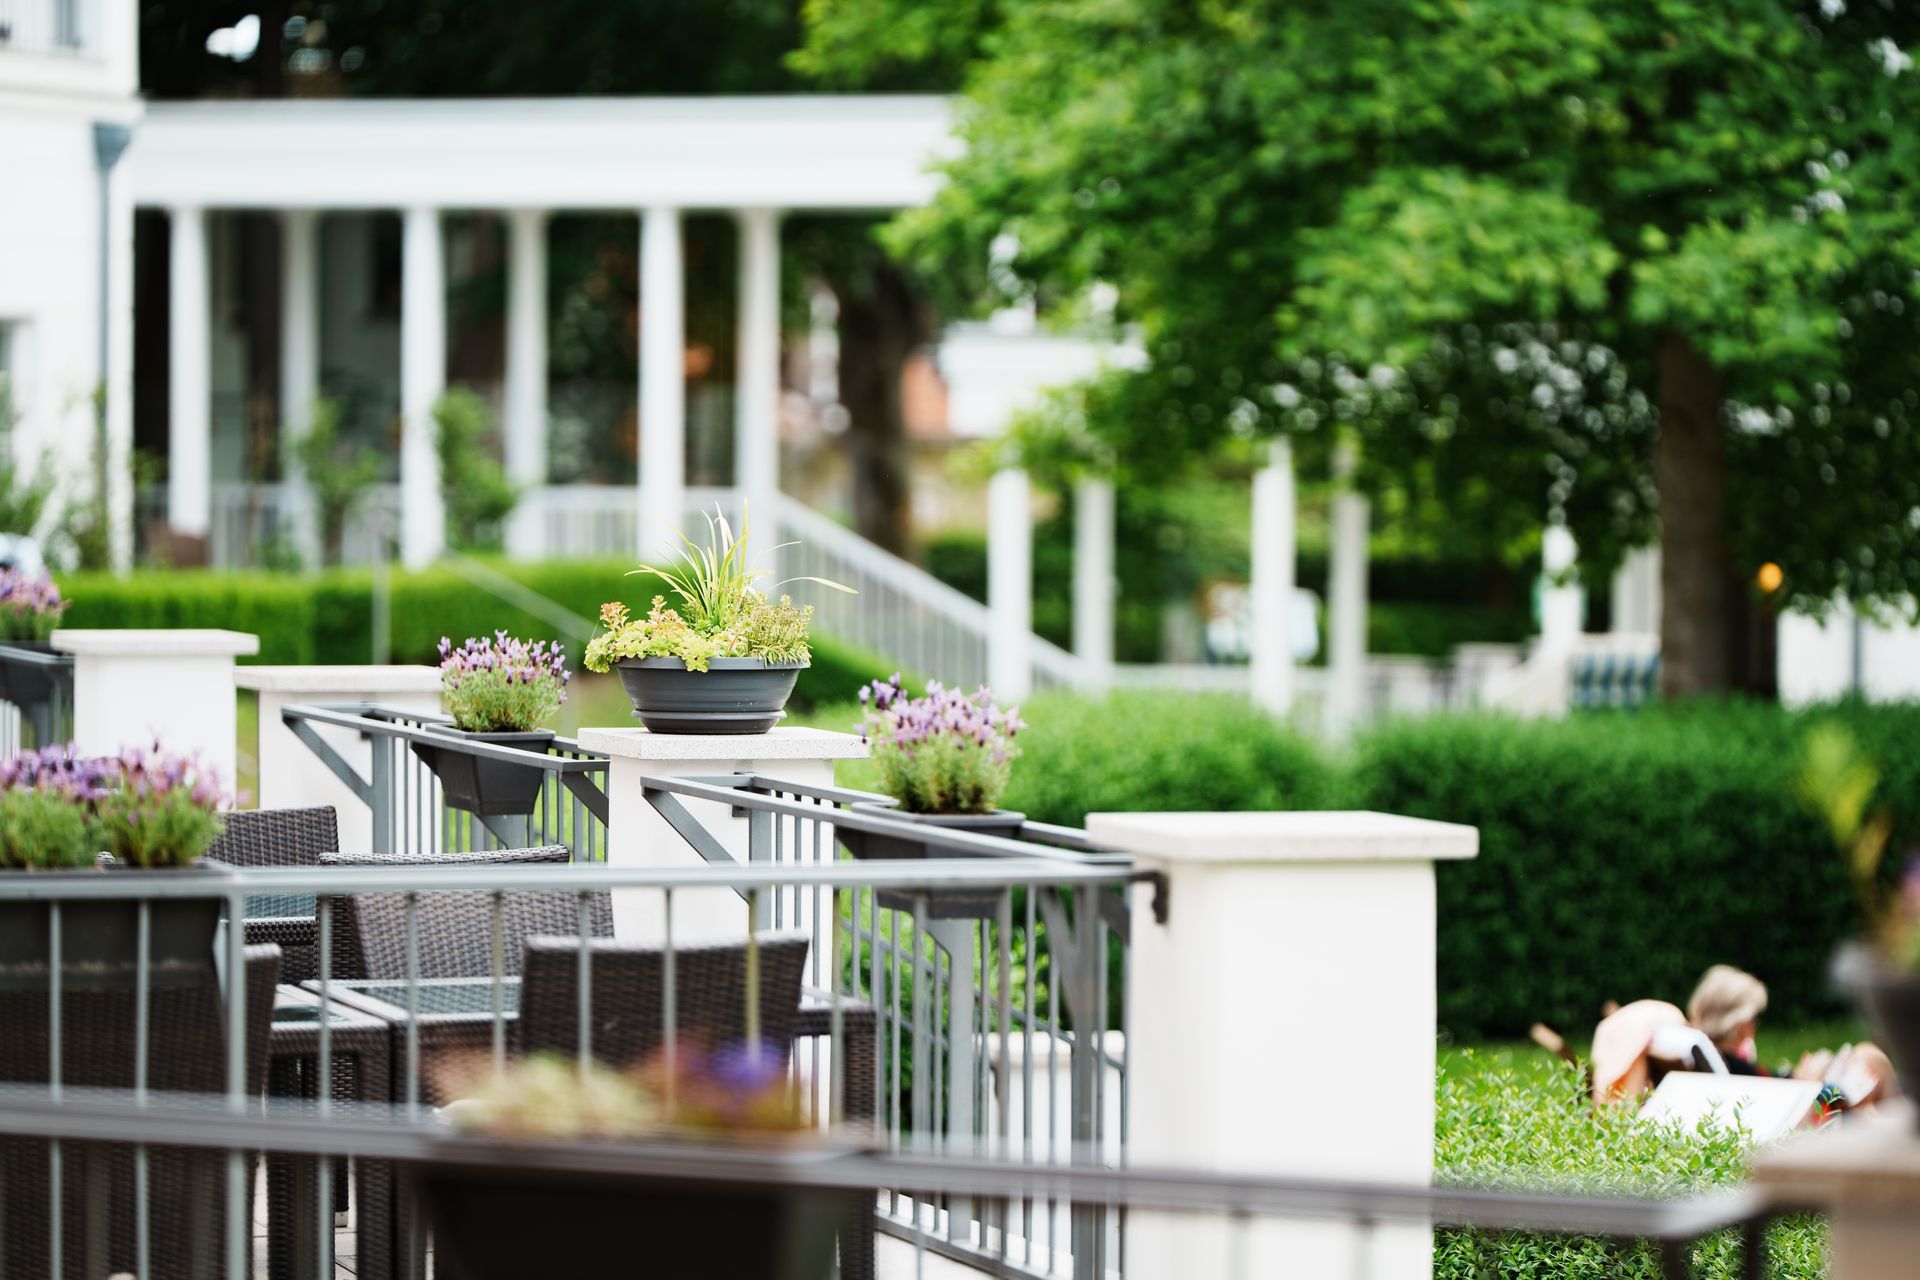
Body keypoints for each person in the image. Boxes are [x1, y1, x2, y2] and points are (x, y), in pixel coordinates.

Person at [1686, 964, 1901, 1110]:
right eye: (1753, 1018)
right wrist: (1807, 1083)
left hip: (1799, 1093)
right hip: (1806, 1106)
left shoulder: (1719, 1058)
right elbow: (1768, 1105)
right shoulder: (1729, 1064)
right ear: (1740, 1024)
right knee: (1870, 1060)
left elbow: (1765, 1083)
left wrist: (1794, 1074)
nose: (1754, 1025)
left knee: (1865, 1058)